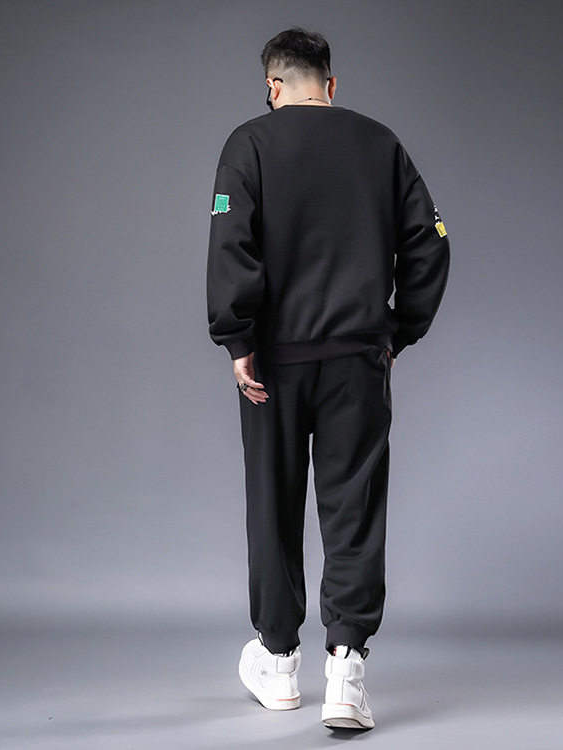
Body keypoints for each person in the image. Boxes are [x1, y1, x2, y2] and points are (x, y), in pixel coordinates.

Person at [206, 26, 451, 730]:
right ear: (331, 84)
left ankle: (279, 663)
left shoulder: (248, 144)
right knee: (354, 508)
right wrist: (398, 331)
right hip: (357, 360)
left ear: (273, 86)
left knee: (273, 504)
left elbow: (231, 243)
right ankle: (346, 672)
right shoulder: (381, 144)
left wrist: (238, 340)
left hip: (273, 363)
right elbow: (431, 244)